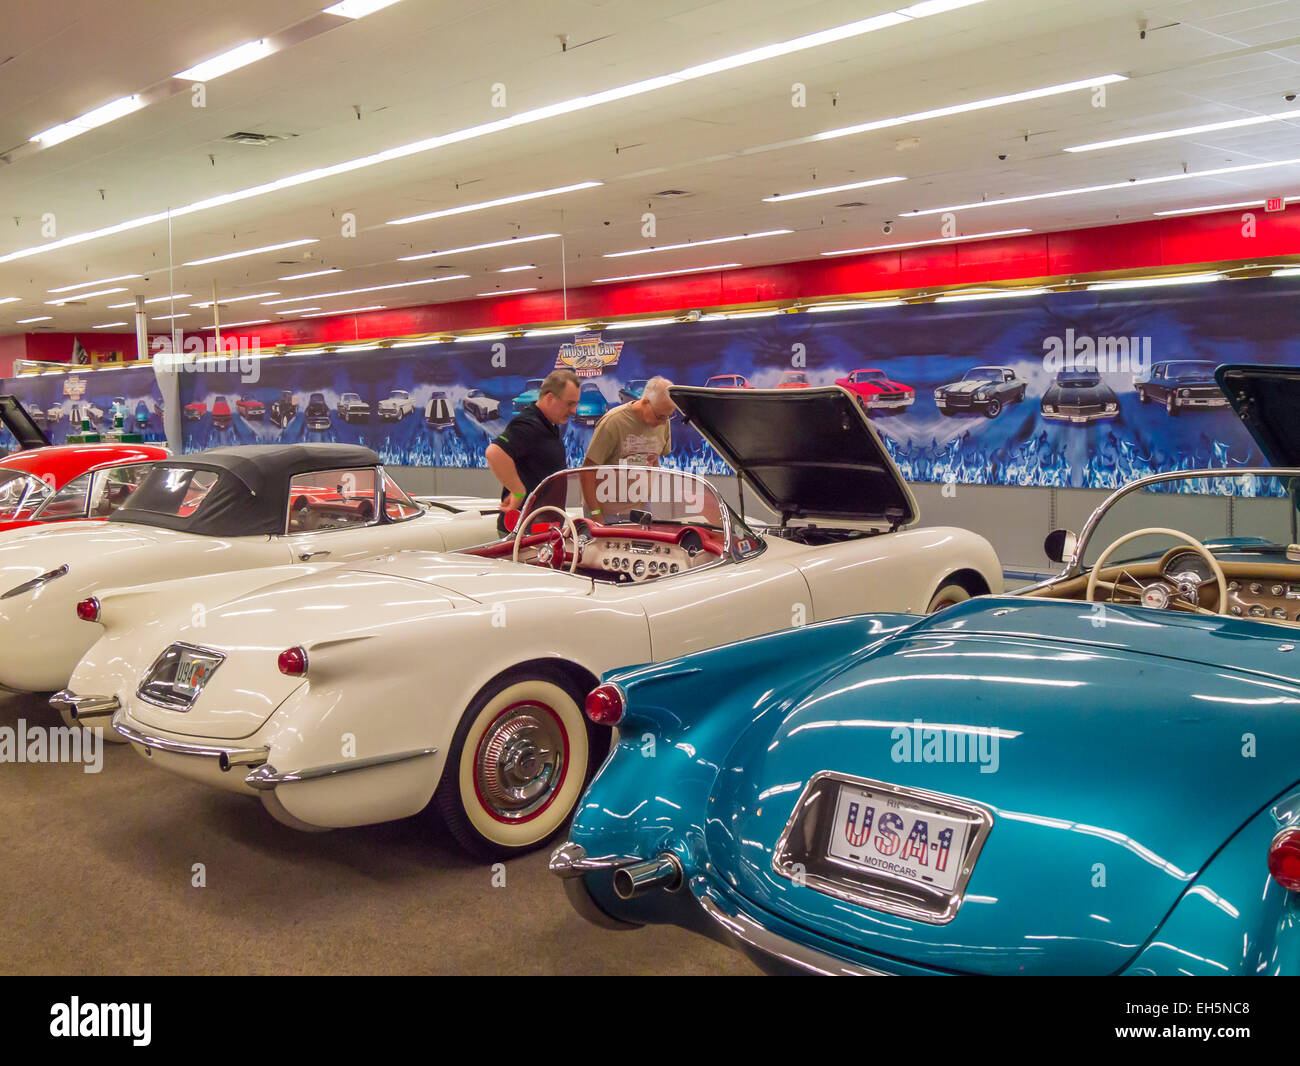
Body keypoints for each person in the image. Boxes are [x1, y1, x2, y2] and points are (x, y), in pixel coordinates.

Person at [485, 369, 580, 535]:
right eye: (569, 404)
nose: (574, 411)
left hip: (540, 530)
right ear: (550, 398)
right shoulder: (530, 424)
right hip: (523, 533)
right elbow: (495, 452)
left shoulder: (548, 425)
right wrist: (517, 490)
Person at [580, 376, 675, 521]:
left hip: (640, 509)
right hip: (607, 511)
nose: (662, 422)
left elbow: (655, 459)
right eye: (660, 416)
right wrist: (595, 513)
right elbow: (587, 471)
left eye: (668, 417)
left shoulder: (664, 421)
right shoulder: (613, 422)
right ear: (645, 402)